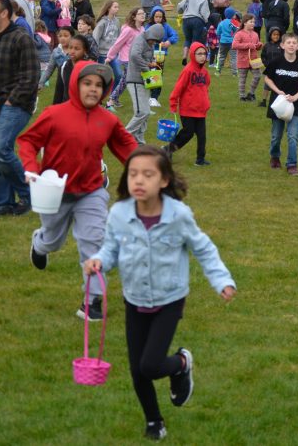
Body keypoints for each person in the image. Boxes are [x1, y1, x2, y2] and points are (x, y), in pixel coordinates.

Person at [83, 146, 236, 441]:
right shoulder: (119, 213)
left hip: (169, 299)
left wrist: (222, 280)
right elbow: (110, 249)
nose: (139, 180)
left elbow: (203, 248)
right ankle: (154, 421)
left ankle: (180, 363)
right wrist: (99, 261)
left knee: (151, 365)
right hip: (134, 298)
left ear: (164, 180)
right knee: (137, 371)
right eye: (133, 174)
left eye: (148, 175)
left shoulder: (178, 215)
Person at [20, 61, 137, 320]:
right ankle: (40, 243)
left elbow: (127, 147)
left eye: (99, 85)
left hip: (91, 191)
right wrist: (31, 168)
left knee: (94, 240)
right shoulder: (54, 114)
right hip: (55, 193)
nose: (93, 90)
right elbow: (28, 141)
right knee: (54, 240)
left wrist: (149, 167)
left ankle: (93, 300)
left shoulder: (107, 120)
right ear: (75, 84)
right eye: (87, 84)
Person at [0, 0, 40, 218]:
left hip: (17, 104)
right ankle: (4, 204)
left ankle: (29, 194)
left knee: (0, 149)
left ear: (4, 13)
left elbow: (31, 77)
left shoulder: (21, 38)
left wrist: (11, 100)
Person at [263, 32, 298, 176]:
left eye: (294, 43)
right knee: (276, 135)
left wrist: (296, 96)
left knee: (293, 135)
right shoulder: (276, 62)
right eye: (288, 42)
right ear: (282, 45)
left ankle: (292, 164)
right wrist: (278, 91)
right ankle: (275, 156)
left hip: (294, 105)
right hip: (278, 103)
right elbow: (267, 79)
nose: (291, 45)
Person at [168, 42, 213, 166]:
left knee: (202, 136)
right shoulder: (187, 70)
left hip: (201, 110)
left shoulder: (204, 72)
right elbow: (178, 87)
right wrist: (173, 102)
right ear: (193, 55)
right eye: (199, 54)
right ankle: (168, 149)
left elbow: (206, 85)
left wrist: (205, 101)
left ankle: (200, 159)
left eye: (204, 54)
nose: (202, 56)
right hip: (187, 109)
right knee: (188, 133)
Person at [125, 24, 166, 143]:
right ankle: (124, 136)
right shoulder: (140, 40)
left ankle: (139, 142)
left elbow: (147, 57)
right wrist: (146, 67)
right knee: (141, 112)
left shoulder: (149, 43)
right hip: (135, 80)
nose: (153, 42)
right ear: (150, 34)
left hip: (144, 81)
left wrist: (152, 62)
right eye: (153, 40)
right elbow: (134, 55)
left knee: (146, 113)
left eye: (155, 41)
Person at [107, 7, 147, 108]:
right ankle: (111, 101)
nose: (143, 15)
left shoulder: (142, 29)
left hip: (136, 59)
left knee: (125, 81)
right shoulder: (128, 30)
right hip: (126, 59)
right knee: (129, 80)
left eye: (143, 14)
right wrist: (110, 56)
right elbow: (118, 43)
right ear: (134, 17)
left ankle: (113, 99)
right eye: (140, 14)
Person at [145, 7, 178, 106]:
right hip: (149, 55)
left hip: (160, 56)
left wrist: (169, 41)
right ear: (152, 17)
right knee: (150, 75)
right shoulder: (148, 26)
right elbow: (144, 36)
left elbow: (174, 35)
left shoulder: (166, 26)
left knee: (158, 75)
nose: (158, 19)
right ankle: (149, 96)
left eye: (160, 17)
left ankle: (154, 97)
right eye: (156, 16)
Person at [176, 0, 211, 66]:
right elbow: (205, 13)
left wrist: (181, 12)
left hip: (186, 19)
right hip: (197, 20)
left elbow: (180, 6)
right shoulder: (204, 0)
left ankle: (184, 56)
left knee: (187, 39)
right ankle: (193, 59)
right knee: (195, 41)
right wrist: (206, 22)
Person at [53, 34, 92, 105]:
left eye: (77, 49)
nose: (72, 51)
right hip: (67, 107)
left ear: (85, 51)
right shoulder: (63, 67)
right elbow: (59, 91)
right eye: (70, 47)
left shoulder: (89, 68)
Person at [231, 14, 262, 101]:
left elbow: (256, 46)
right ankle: (242, 96)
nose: (253, 24)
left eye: (254, 22)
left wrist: (259, 45)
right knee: (242, 79)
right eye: (251, 22)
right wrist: (248, 45)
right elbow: (234, 45)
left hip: (255, 59)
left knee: (258, 76)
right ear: (245, 23)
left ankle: (251, 93)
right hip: (242, 59)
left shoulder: (255, 34)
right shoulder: (239, 34)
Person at [93, 0, 121, 64]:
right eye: (115, 7)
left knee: (119, 73)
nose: (117, 9)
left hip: (113, 53)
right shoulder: (102, 22)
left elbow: (119, 36)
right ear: (108, 8)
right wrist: (95, 52)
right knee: (101, 73)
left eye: (118, 7)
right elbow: (95, 37)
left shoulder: (117, 21)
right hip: (102, 54)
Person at [213, 7, 239, 74]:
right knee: (233, 57)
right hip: (232, 43)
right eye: (234, 14)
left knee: (221, 56)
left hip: (223, 42)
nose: (235, 16)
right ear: (232, 15)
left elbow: (218, 32)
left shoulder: (221, 23)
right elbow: (237, 31)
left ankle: (218, 71)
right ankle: (234, 73)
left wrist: (221, 37)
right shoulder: (234, 23)